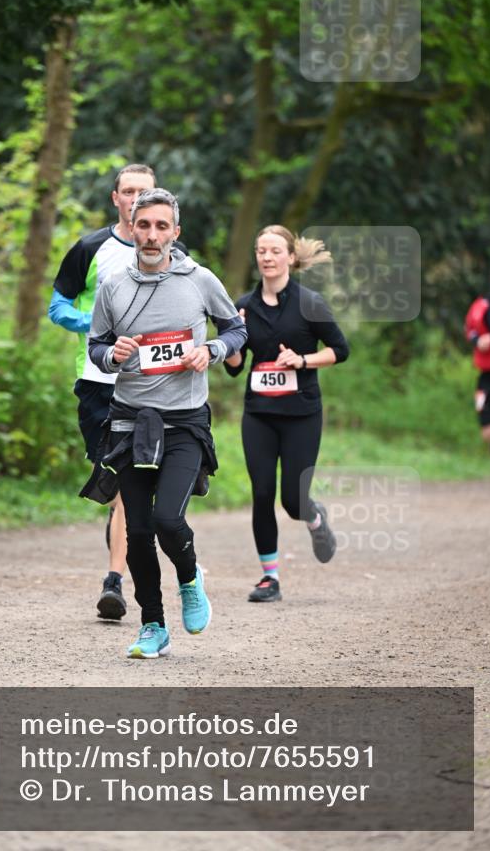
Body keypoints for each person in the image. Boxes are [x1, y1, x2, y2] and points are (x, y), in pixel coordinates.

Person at [82, 188, 246, 658]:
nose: (152, 235)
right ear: (132, 228)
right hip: (129, 422)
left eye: (161, 226)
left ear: (175, 232)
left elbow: (236, 329)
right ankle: (153, 625)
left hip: (183, 423)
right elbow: (97, 346)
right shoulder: (113, 286)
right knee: (137, 532)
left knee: (167, 519)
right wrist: (112, 354)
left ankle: (190, 578)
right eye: (144, 225)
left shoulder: (199, 280)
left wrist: (211, 350)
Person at [48, 164, 159, 620]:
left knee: (127, 485)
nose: (136, 199)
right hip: (97, 385)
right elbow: (56, 307)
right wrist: (98, 326)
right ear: (115, 197)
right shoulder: (90, 248)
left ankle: (114, 580)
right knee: (114, 481)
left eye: (145, 192)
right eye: (129, 191)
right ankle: (120, 560)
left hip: (150, 387)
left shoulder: (173, 253)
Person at [224, 225, 349, 603]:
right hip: (259, 412)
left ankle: (314, 518)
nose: (267, 257)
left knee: (293, 500)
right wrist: (235, 337)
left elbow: (339, 350)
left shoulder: (309, 302)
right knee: (262, 492)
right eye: (261, 250)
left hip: (301, 413)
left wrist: (303, 360)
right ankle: (269, 578)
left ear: (291, 257)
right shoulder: (243, 305)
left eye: (275, 250)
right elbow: (233, 366)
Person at [464, 278, 490, 454]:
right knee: (487, 430)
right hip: (487, 376)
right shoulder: (481, 306)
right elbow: (469, 329)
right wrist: (478, 340)